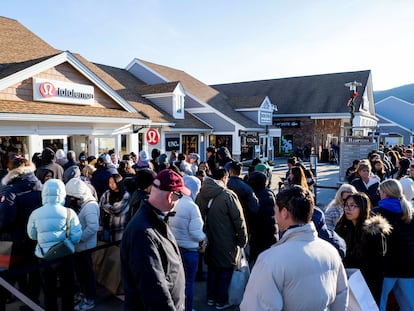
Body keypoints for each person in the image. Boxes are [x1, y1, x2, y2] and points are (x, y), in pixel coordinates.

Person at [240, 185, 349, 311]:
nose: (275, 217)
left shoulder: (270, 260)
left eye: (276, 211)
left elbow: (255, 307)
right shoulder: (331, 251)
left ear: (285, 213)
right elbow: (341, 297)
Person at [120, 169, 190, 310]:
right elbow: (154, 289)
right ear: (171, 196)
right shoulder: (143, 232)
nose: (179, 200)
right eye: (179, 195)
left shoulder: (153, 220)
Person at [26, 179, 82, 311]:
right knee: (67, 289)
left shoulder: (35, 213)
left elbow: (32, 235)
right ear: (62, 193)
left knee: (48, 290)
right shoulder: (69, 212)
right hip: (65, 255)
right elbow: (76, 237)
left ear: (44, 193)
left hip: (43, 255)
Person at [196, 168, 248, 309]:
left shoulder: (201, 194)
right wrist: (243, 240)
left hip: (208, 239)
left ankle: (210, 298)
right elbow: (239, 220)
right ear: (224, 178)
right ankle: (221, 300)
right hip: (227, 240)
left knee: (212, 268)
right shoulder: (228, 195)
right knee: (225, 270)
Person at [0, 155, 43, 309]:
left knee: (6, 272)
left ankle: (8, 298)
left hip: (13, 238)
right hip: (35, 236)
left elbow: (6, 218)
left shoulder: (10, 189)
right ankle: (32, 301)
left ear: (10, 170)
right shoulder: (39, 184)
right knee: (33, 269)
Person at [335, 192, 391, 305]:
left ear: (363, 207)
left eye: (353, 205)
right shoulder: (342, 227)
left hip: (368, 282)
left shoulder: (373, 232)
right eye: (346, 205)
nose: (348, 208)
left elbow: (379, 263)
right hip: (345, 279)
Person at [372, 179, 414, 310]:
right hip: (409, 266)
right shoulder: (409, 212)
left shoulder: (377, 212)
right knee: (410, 306)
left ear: (384, 192)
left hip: (386, 266)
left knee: (379, 304)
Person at [169, 176, 206, 311]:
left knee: (176, 282)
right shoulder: (192, 207)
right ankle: (187, 308)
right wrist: (204, 237)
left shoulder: (174, 201)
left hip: (174, 248)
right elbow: (196, 233)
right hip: (189, 250)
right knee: (188, 283)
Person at [65, 178, 100, 311]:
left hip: (85, 247)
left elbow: (92, 227)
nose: (71, 199)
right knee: (81, 273)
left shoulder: (90, 205)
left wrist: (77, 239)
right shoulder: (83, 203)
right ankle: (83, 293)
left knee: (87, 274)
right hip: (80, 247)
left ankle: (89, 298)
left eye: (72, 196)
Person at [246, 171, 278, 264]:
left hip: (258, 233)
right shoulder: (270, 193)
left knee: (258, 259)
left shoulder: (253, 196)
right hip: (271, 231)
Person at [227, 161, 259, 234]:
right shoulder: (247, 188)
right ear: (240, 171)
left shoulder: (224, 186)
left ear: (230, 171)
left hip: (226, 223)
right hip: (244, 222)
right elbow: (254, 208)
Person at [99, 173, 130, 242]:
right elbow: (100, 209)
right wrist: (100, 227)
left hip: (119, 227)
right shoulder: (107, 193)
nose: (111, 185)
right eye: (110, 182)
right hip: (106, 227)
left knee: (116, 250)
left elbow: (117, 210)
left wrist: (105, 206)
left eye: (114, 182)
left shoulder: (126, 195)